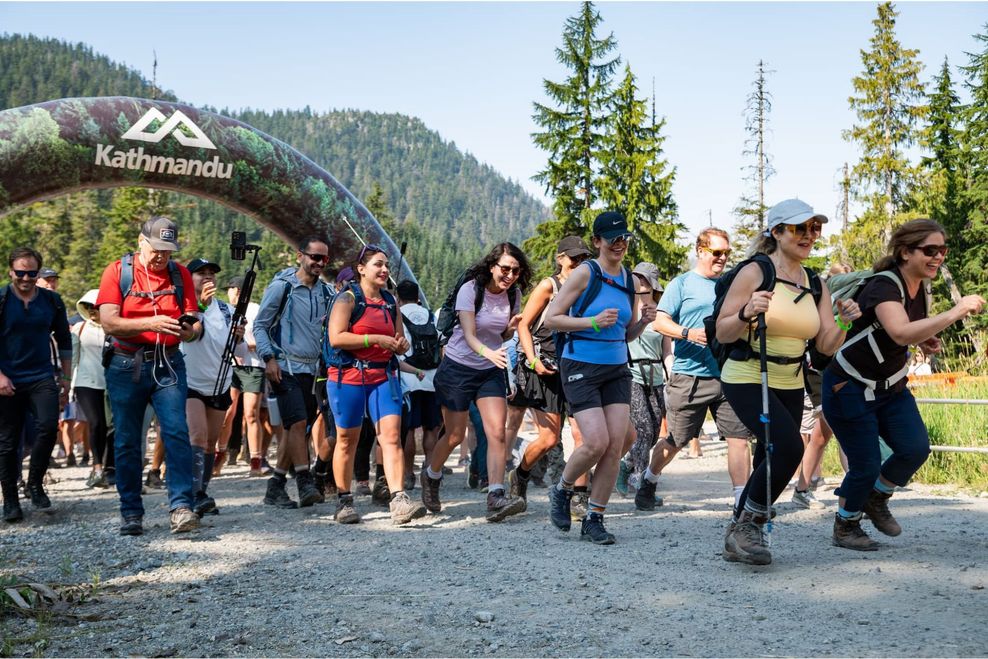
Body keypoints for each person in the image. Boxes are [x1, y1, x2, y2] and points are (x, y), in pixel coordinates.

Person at [823, 219, 984, 550]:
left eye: (942, 250)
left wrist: (925, 339)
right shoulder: (885, 284)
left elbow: (902, 327)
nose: (938, 256)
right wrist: (957, 311)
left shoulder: (921, 283)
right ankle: (845, 524)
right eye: (930, 250)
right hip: (849, 385)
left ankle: (876, 499)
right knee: (865, 464)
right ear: (906, 251)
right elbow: (898, 331)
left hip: (890, 385)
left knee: (914, 448)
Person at [716, 199, 858, 565]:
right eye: (799, 228)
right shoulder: (755, 272)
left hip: (791, 379)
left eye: (815, 228)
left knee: (768, 454)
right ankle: (750, 523)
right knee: (789, 448)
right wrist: (747, 312)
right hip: (748, 374)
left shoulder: (815, 283)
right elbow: (723, 330)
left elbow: (825, 344)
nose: (809, 236)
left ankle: (738, 533)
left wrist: (843, 322)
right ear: (776, 233)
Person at [544, 211, 655, 544]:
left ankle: (595, 518)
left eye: (624, 239)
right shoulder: (584, 273)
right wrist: (592, 323)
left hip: (617, 367)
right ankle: (562, 489)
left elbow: (626, 333)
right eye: (613, 239)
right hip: (580, 364)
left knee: (616, 444)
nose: (620, 244)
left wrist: (644, 322)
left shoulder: (629, 281)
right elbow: (552, 319)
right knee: (595, 442)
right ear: (597, 242)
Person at [97, 217, 202, 536]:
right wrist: (150, 324)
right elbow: (109, 322)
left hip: (168, 364)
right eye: (157, 249)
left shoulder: (180, 274)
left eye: (168, 251)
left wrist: (189, 331)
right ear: (141, 241)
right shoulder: (118, 271)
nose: (161, 257)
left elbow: (195, 325)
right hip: (125, 364)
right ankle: (131, 511)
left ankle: (182, 507)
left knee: (176, 433)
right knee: (128, 440)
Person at [420, 243, 529, 522]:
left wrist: (510, 330)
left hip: (490, 369)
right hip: (458, 367)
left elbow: (500, 335)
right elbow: (469, 334)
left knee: (496, 432)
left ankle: (495, 495)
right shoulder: (471, 289)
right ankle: (431, 476)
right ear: (492, 266)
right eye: (505, 268)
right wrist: (489, 352)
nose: (510, 275)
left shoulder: (513, 294)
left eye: (515, 271)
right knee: (455, 435)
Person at [649, 228, 753, 509]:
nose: (722, 258)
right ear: (700, 251)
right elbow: (660, 322)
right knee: (677, 440)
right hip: (689, 375)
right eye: (717, 252)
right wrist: (687, 333)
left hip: (729, 374)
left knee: (739, 439)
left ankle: (741, 503)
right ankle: (649, 478)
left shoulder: (732, 285)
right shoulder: (681, 284)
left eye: (726, 253)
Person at [325, 245, 426, 525]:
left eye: (386, 266)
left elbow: (398, 337)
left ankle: (399, 500)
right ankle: (344, 502)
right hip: (348, 378)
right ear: (361, 269)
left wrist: (399, 343)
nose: (384, 270)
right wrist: (374, 340)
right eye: (378, 265)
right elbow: (336, 338)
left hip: (383, 376)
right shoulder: (347, 299)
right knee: (347, 440)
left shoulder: (390, 301)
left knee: (391, 438)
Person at [506, 235, 591, 514]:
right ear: (561, 258)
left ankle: (579, 496)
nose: (579, 262)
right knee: (549, 439)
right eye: (574, 257)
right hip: (546, 368)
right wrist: (532, 361)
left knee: (583, 435)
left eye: (583, 258)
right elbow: (523, 326)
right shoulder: (548, 286)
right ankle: (519, 474)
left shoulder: (589, 287)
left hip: (577, 366)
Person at [253, 236, 333, 510]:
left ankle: (275, 486)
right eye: (315, 257)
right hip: (284, 366)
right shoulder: (281, 288)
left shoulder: (326, 293)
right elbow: (260, 325)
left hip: (312, 370)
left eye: (324, 259)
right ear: (301, 255)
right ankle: (304, 481)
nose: (319, 263)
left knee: (293, 429)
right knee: (298, 424)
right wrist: (269, 358)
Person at [0, 248, 72, 522]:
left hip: (41, 375)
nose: (26, 278)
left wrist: (65, 380)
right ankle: (10, 500)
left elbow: (64, 341)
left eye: (32, 273)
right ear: (11, 272)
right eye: (20, 273)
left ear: (38, 273)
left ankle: (35, 483)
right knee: (7, 441)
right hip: (7, 379)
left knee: (47, 427)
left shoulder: (51, 301)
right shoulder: (2, 298)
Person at [180, 258, 246, 517]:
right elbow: (186, 332)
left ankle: (202, 492)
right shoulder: (183, 305)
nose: (208, 277)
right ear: (189, 278)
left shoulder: (226, 310)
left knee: (209, 443)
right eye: (201, 274)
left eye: (211, 273)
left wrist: (239, 336)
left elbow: (237, 350)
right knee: (196, 436)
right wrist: (200, 305)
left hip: (219, 382)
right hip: (189, 382)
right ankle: (193, 494)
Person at [622, 262, 671, 512]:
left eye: (642, 279)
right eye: (636, 278)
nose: (637, 282)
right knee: (641, 427)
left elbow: (666, 351)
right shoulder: (628, 307)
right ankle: (641, 483)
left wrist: (671, 376)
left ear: (651, 284)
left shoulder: (662, 312)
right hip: (631, 373)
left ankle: (625, 464)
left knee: (652, 432)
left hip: (656, 377)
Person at [396, 280, 442, 492]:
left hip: (409, 379)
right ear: (417, 297)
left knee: (408, 430)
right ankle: (430, 471)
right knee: (431, 427)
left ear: (398, 297)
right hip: (432, 379)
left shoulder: (398, 316)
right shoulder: (430, 315)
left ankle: (407, 474)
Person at [224, 274, 266, 477]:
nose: (228, 294)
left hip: (253, 365)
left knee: (250, 414)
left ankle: (256, 461)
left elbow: (266, 337)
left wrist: (247, 345)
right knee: (228, 412)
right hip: (230, 366)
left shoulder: (256, 310)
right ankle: (219, 455)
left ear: (237, 291)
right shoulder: (226, 311)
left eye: (229, 290)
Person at [71, 289, 113, 489]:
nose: (92, 310)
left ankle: (110, 467)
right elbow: (72, 359)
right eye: (89, 307)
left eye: (96, 306)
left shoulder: (112, 328)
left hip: (110, 382)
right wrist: (67, 386)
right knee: (96, 423)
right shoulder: (79, 328)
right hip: (85, 382)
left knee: (112, 426)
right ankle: (97, 466)